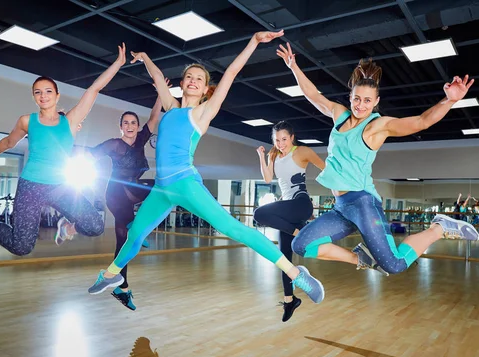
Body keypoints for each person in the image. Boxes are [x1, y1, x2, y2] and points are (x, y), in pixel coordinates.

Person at [87, 31, 325, 310]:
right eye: (189, 77)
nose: (193, 81)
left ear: (205, 89)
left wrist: (253, 42)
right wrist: (145, 58)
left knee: (233, 229)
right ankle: (111, 275)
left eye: (199, 79)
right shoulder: (171, 107)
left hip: (186, 184)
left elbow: (232, 72)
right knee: (135, 233)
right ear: (182, 83)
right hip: (162, 189)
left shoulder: (202, 113)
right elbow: (156, 77)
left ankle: (297, 275)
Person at [274, 43, 479, 276]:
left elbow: (421, 121)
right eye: (357, 99)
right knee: (300, 244)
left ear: (376, 101)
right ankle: (361, 258)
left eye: (367, 101)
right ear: (350, 97)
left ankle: (439, 227)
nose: (360, 105)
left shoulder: (377, 126)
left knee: (393, 265)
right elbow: (312, 94)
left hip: (363, 204)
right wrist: (293, 67)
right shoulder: (339, 115)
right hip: (341, 207)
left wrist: (450, 100)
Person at [0, 44, 129, 256]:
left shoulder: (71, 121)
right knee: (21, 246)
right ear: (34, 97)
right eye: (38, 92)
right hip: (31, 186)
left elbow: (94, 89)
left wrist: (118, 64)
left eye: (48, 91)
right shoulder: (27, 121)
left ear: (57, 95)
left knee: (94, 226)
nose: (43, 95)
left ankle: (66, 227)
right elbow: (9, 142)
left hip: (61, 186)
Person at [83, 89, 168, 310]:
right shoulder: (114, 144)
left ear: (137, 126)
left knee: (124, 244)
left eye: (133, 123)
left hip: (129, 194)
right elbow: (90, 153)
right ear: (121, 127)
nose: (130, 126)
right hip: (116, 194)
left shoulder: (141, 139)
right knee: (159, 186)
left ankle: (121, 289)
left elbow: (153, 118)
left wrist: (159, 94)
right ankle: (136, 226)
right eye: (126, 123)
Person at [253, 121, 325, 322]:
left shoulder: (302, 151)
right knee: (284, 260)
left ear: (292, 137)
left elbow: (324, 168)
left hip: (300, 204)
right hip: (287, 212)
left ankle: (299, 232)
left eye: (284, 139)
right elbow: (267, 179)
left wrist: (339, 194)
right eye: (276, 140)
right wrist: (262, 156)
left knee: (259, 214)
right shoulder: (274, 154)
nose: (280, 143)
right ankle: (289, 300)